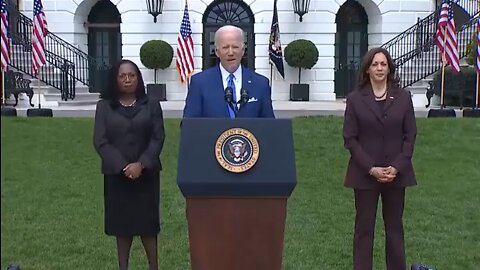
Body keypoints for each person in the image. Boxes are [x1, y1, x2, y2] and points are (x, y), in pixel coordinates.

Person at [342, 47, 417, 270]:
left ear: (389, 68)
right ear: (367, 69)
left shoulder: (403, 97)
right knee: (364, 229)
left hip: (396, 176)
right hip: (365, 175)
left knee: (394, 229)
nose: (379, 68)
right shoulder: (355, 100)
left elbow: (410, 135)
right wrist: (371, 168)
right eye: (375, 64)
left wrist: (397, 166)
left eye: (383, 64)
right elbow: (350, 138)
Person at [93, 59, 165, 270]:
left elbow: (158, 137)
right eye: (122, 76)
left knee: (148, 227)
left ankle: (154, 267)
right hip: (117, 177)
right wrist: (124, 166)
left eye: (131, 75)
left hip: (147, 175)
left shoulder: (151, 104)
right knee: (122, 227)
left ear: (138, 78)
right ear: (115, 80)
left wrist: (141, 164)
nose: (127, 79)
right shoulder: (104, 106)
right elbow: (100, 140)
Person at [183, 25, 275, 118]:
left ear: (243, 50)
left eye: (235, 47)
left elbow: (269, 127)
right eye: (225, 47)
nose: (230, 53)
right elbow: (189, 126)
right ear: (216, 51)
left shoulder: (261, 84)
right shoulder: (199, 83)